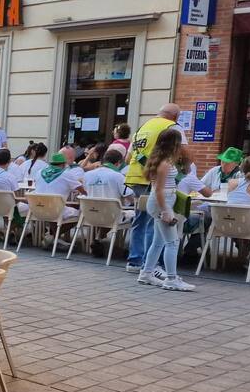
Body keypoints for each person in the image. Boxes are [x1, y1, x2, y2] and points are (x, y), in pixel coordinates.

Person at [125, 104, 185, 274]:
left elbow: (128, 157)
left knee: (140, 220)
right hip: (156, 180)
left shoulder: (142, 128)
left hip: (135, 177)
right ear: (176, 116)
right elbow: (184, 152)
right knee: (154, 223)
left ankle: (135, 261)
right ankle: (151, 265)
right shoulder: (171, 127)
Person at [137, 129, 194, 291]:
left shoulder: (162, 161)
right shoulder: (164, 164)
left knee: (159, 242)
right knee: (172, 242)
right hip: (162, 203)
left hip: (162, 202)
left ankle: (146, 273)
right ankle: (171, 278)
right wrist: (166, 211)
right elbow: (159, 190)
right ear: (174, 144)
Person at [83, 149, 135, 223]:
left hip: (91, 216)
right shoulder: (118, 176)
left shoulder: (86, 175)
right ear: (118, 163)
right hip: (113, 217)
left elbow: (84, 194)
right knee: (136, 213)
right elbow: (131, 198)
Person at [34, 153, 85, 221]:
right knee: (81, 214)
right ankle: (59, 228)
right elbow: (82, 190)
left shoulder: (39, 172)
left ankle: (55, 227)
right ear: (63, 164)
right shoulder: (66, 174)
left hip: (38, 210)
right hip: (57, 211)